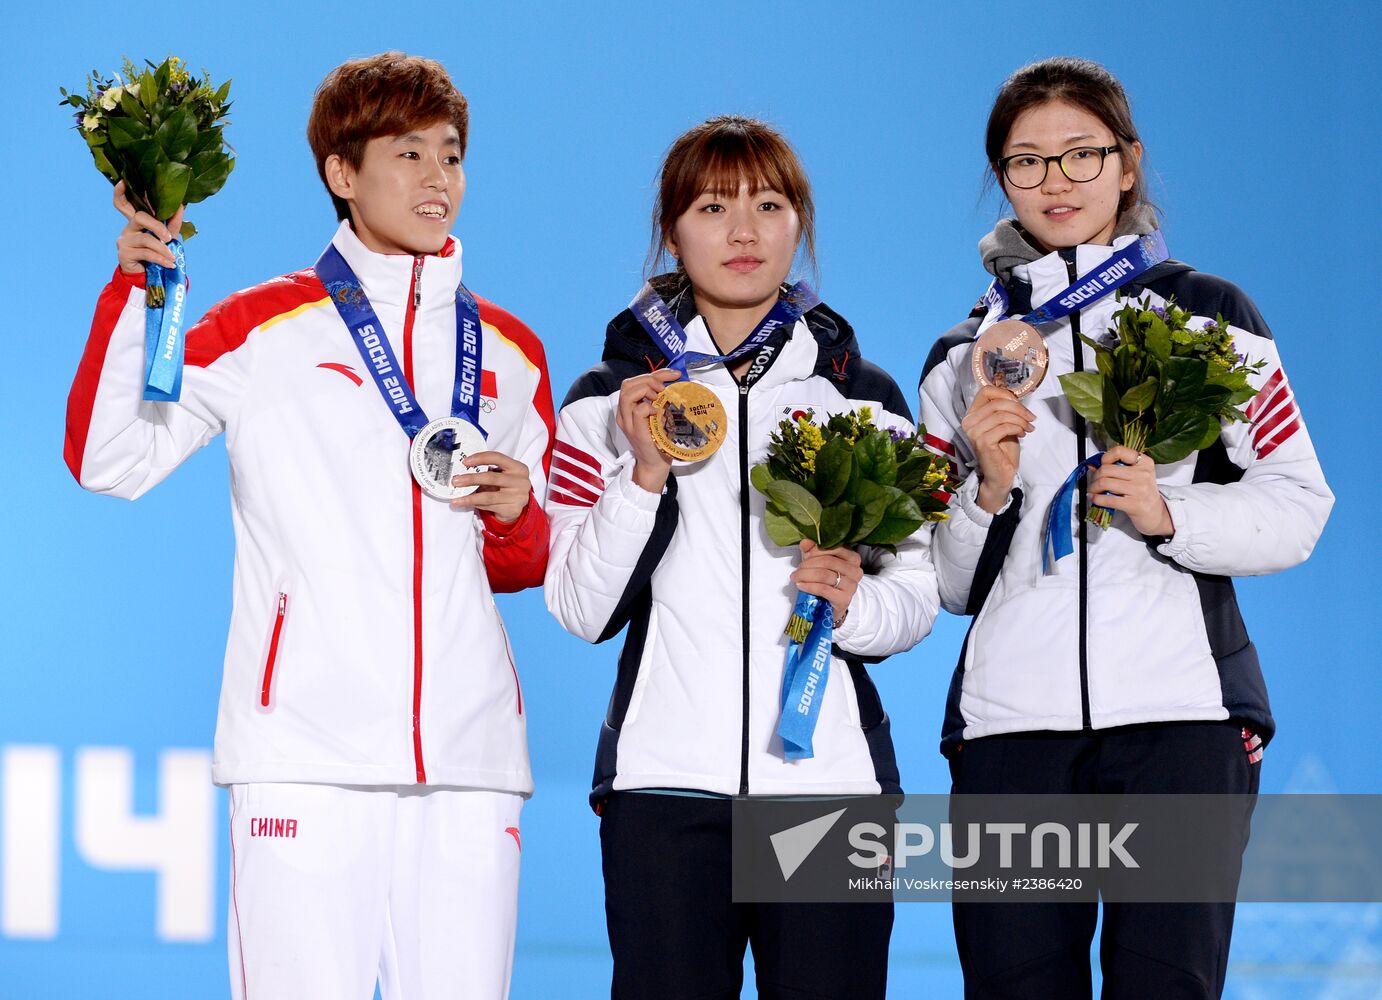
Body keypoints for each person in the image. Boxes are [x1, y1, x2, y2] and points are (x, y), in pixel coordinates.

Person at [64, 52, 553, 999]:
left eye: (451, 154)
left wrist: (519, 513)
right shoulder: (260, 328)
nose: (437, 178)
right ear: (342, 172)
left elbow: (526, 563)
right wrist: (134, 293)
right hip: (303, 756)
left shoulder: (510, 350)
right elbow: (107, 459)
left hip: (469, 761)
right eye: (407, 153)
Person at [918, 57, 1333, 998]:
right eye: (1026, 162)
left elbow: (1298, 506)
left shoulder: (1212, 317)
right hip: (1012, 734)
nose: (1055, 182)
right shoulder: (962, 356)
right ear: (1001, 177)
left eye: (1080, 156)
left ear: (1129, 163)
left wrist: (1167, 512)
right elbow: (945, 583)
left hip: (1181, 725)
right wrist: (987, 486)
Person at [544, 115, 938, 999]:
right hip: (664, 795)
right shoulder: (606, 402)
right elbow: (578, 607)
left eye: (771, 203)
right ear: (672, 230)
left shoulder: (863, 398)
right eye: (714, 206)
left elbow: (916, 589)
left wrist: (853, 605)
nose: (745, 230)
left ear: (799, 224)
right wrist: (643, 475)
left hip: (829, 795)